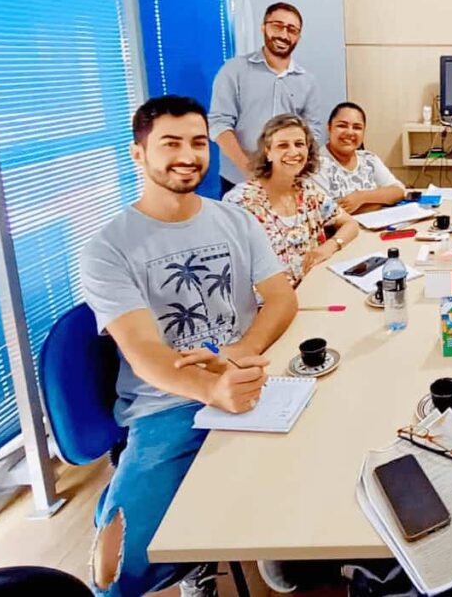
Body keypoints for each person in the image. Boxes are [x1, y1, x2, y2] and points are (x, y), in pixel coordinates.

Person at [80, 95, 298, 597]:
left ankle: (271, 543)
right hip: (168, 405)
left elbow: (280, 297)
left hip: (252, 382)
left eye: (198, 142)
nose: (188, 155)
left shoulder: (235, 220)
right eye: (170, 143)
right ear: (139, 155)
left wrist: (243, 351)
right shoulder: (108, 247)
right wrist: (211, 387)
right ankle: (185, 550)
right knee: (113, 577)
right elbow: (144, 352)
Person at [224, 114, 359, 287]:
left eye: (299, 144)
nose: (293, 152)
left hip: (312, 291)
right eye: (282, 145)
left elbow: (351, 224)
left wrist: (330, 246)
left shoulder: (308, 192)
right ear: (268, 152)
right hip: (269, 304)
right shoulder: (240, 201)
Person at [209, 2, 324, 197]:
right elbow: (218, 124)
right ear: (263, 27)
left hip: (288, 181)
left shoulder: (307, 81)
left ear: (298, 36)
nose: (283, 35)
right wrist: (250, 170)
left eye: (292, 30)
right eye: (277, 26)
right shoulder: (234, 70)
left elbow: (313, 131)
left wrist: (297, 169)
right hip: (239, 180)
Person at [309, 102, 405, 214]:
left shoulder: (369, 159)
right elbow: (326, 212)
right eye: (342, 125)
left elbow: (398, 191)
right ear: (329, 128)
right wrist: (379, 202)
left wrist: (362, 197)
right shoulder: (315, 164)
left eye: (357, 127)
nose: (350, 132)